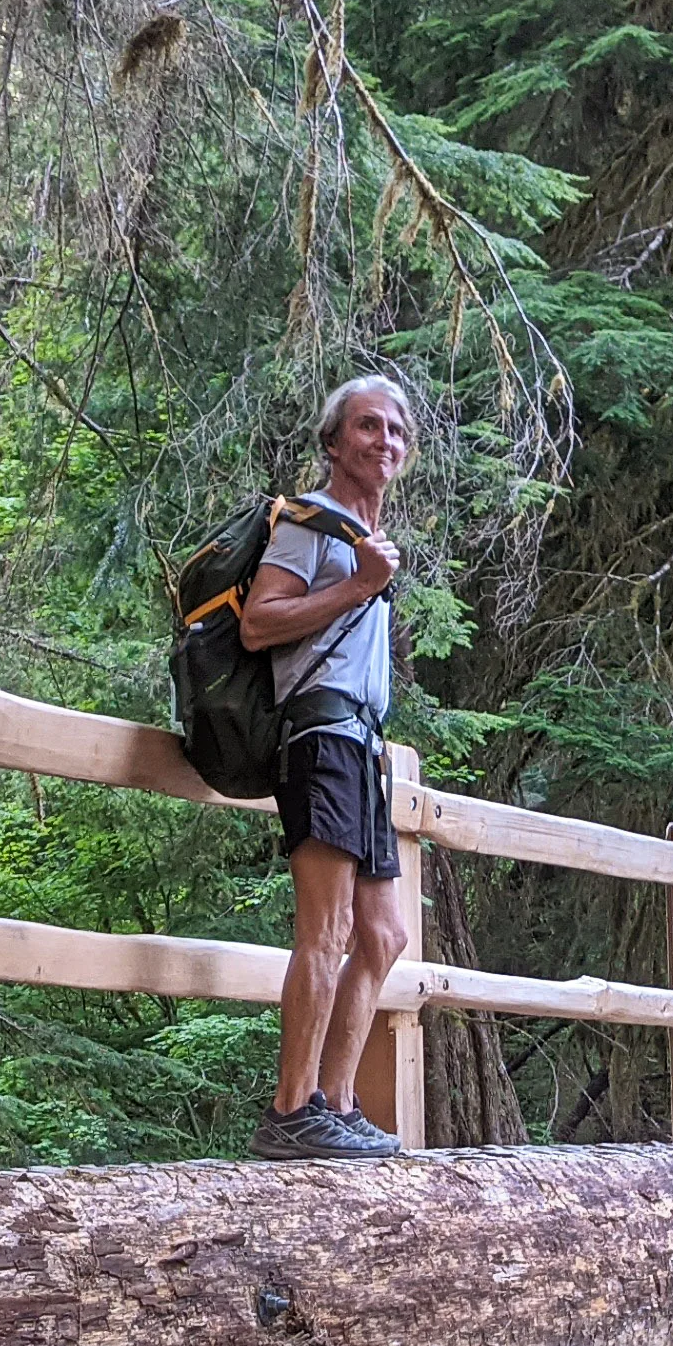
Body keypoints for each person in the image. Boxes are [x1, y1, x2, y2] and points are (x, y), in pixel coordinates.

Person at [245, 376, 416, 1160]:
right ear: (334, 442)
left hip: (363, 745)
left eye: (396, 430)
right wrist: (356, 586)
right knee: (328, 928)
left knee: (383, 935)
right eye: (367, 426)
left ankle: (336, 1105)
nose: (384, 440)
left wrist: (364, 578)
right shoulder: (311, 526)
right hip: (319, 736)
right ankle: (290, 1112)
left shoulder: (363, 537)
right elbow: (258, 626)